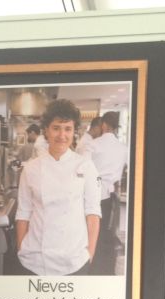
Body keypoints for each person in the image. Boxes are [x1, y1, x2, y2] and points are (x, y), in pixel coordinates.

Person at [14, 99, 101, 277]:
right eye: (56, 128)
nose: (62, 135)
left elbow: (92, 213)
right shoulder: (31, 168)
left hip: (74, 261)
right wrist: (21, 248)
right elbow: (23, 213)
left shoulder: (85, 166)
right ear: (46, 130)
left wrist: (89, 254)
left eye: (67, 129)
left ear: (74, 131)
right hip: (35, 260)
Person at [89, 112, 130, 276]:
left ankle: (92, 268)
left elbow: (85, 171)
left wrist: (98, 183)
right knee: (108, 234)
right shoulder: (123, 148)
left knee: (92, 234)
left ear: (104, 125)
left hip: (94, 194)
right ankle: (105, 271)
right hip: (112, 196)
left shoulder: (94, 144)